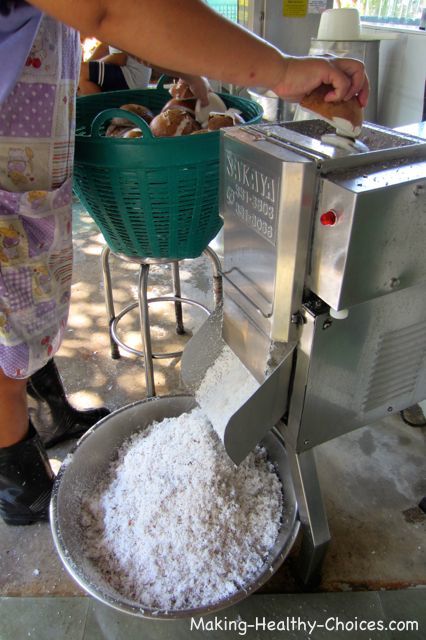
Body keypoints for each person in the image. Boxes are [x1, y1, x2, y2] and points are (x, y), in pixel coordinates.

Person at [0, 0, 369, 527]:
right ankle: (19, 488)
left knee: (27, 308)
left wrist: (207, 87)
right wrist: (282, 72)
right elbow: (110, 10)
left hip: (26, 160)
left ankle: (50, 412)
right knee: (3, 344)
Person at [78, 40, 152, 95]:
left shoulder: (119, 24)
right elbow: (104, 46)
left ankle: (99, 111)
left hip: (131, 78)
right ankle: (95, 112)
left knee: (81, 70)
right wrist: (87, 64)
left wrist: (88, 66)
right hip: (133, 77)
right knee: (82, 76)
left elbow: (119, 59)